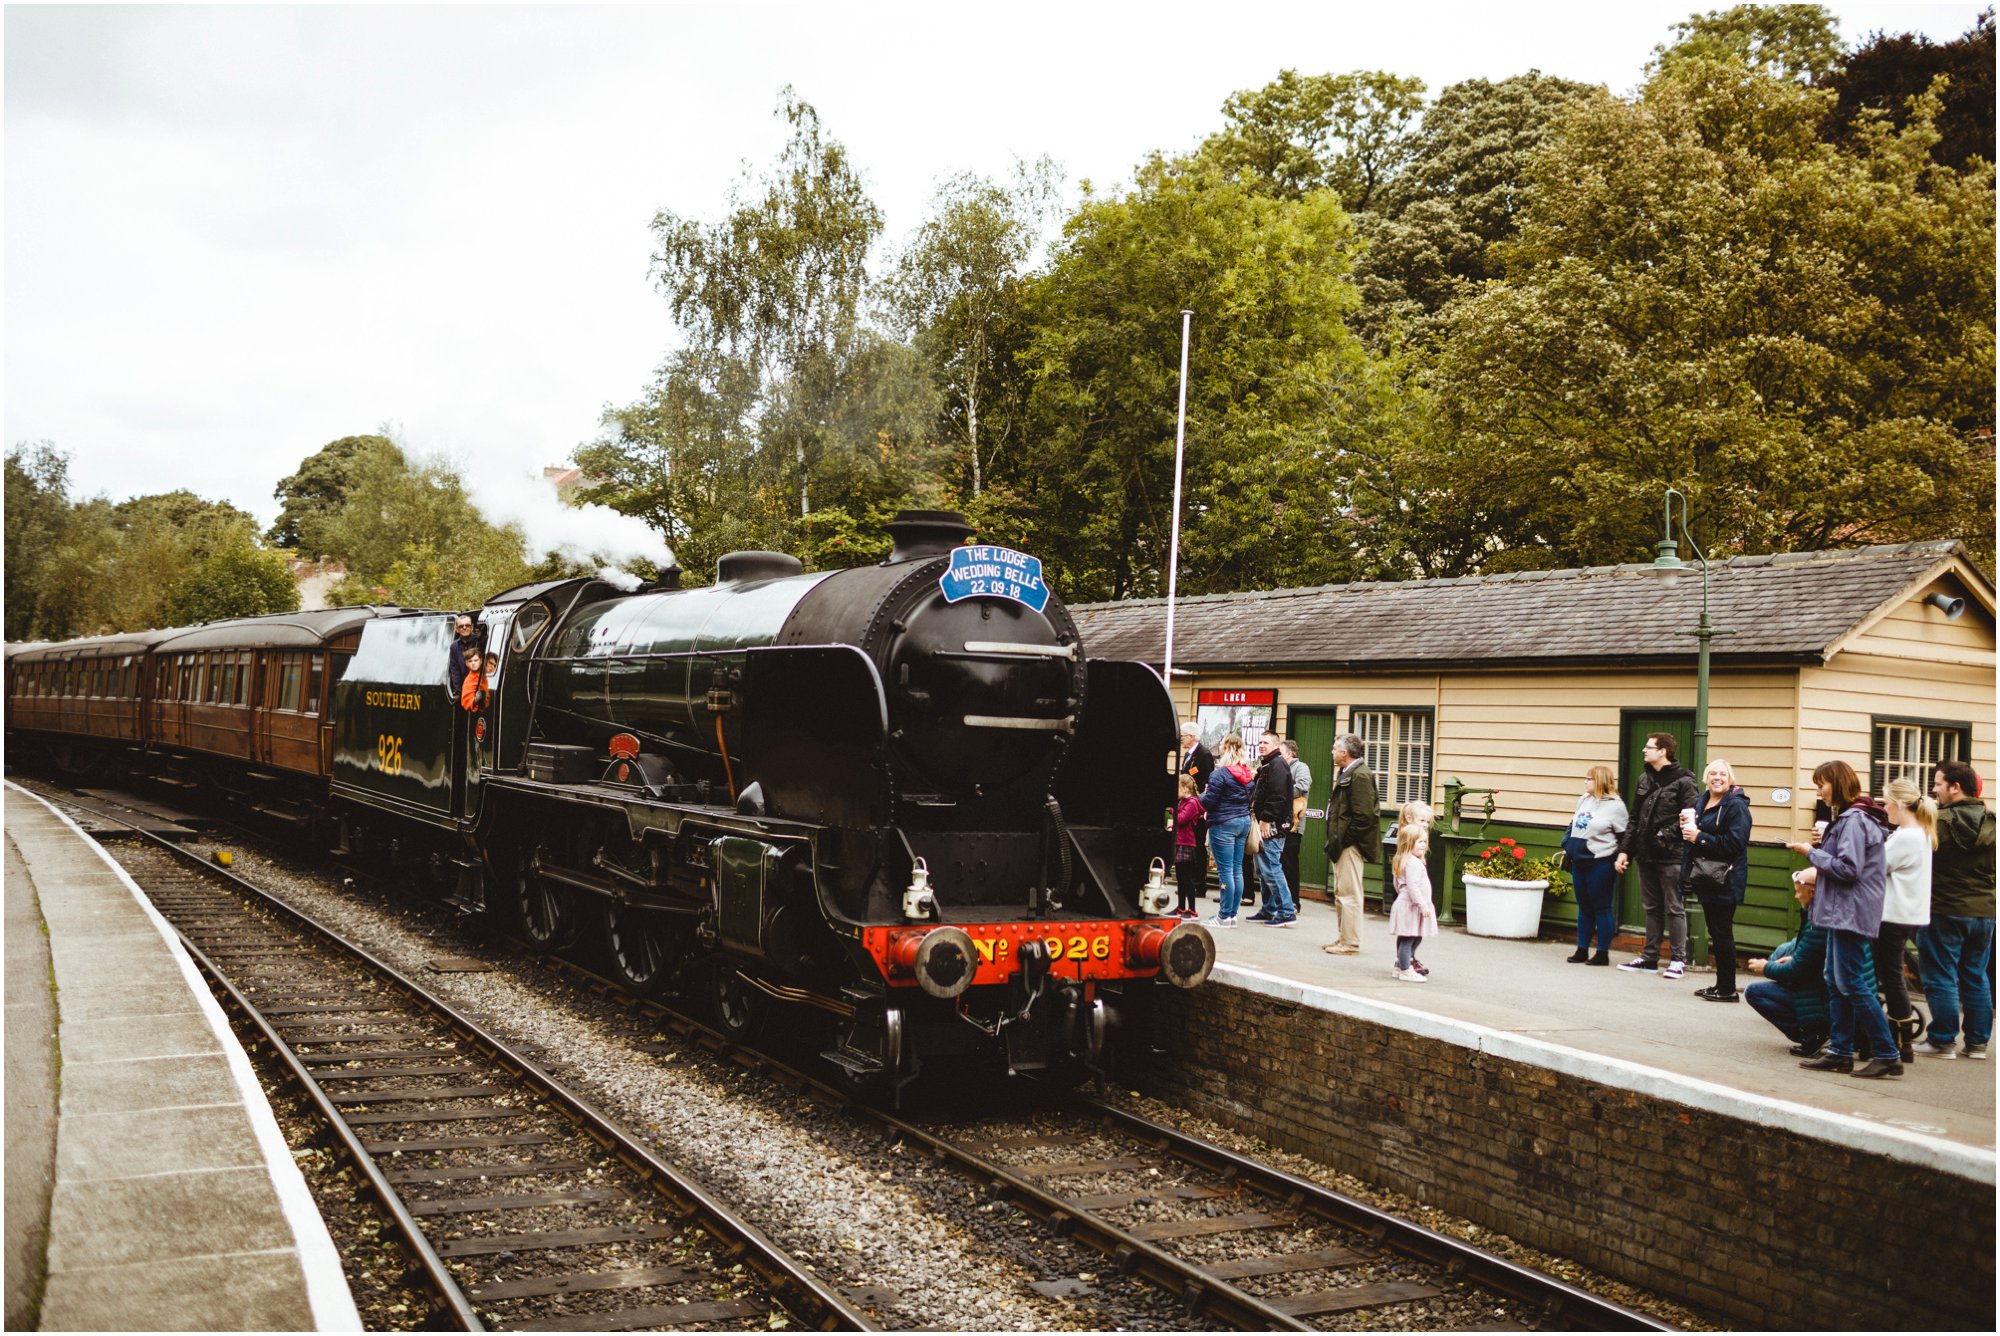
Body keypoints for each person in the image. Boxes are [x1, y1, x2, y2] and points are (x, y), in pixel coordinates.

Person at [1786, 760, 1900, 1078]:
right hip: (1843, 910)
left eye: (1821, 783)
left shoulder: (1854, 819)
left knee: (1851, 982)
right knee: (1835, 981)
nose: (1818, 790)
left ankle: (1887, 1053)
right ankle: (1840, 1051)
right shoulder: (1856, 816)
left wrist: (1811, 852)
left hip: (1850, 910)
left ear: (1837, 783)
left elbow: (1849, 869)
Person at [1916, 759, 1995, 1060]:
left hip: (1944, 908)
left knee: (1940, 974)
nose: (1934, 790)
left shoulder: (1938, 822)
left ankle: (1942, 1040)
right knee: (1976, 975)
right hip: (1984, 912)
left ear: (1955, 787)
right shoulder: (1992, 822)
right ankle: (1977, 1043)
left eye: (1937, 784)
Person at [1615, 732, 1700, 979]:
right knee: (1651, 907)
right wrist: (1625, 851)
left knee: (1674, 907)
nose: (1644, 750)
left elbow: (1691, 815)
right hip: (1646, 854)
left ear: (1663, 751)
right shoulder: (1645, 778)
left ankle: (1677, 960)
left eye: (1649, 746)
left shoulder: (1685, 781)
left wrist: (1664, 835)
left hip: (1672, 855)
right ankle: (1650, 958)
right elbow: (1634, 818)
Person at [1681, 757, 1752, 1002]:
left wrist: (1700, 836)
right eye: (1713, 774)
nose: (1717, 778)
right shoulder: (1702, 801)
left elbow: (1735, 843)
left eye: (1722, 774)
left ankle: (1728, 989)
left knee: (1722, 932)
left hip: (1726, 877)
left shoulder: (1736, 806)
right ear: (1706, 778)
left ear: (1730, 778)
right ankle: (1721, 985)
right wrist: (1689, 829)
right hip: (1706, 876)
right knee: (1717, 931)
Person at [1744, 875, 1835, 1057]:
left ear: (1811, 892)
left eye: (1798, 891)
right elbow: (1811, 960)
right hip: (1821, 989)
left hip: (1817, 993)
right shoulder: (1822, 914)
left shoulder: (1817, 922)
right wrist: (1793, 959)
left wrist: (1766, 968)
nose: (1796, 896)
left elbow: (1800, 970)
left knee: (1754, 992)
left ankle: (1814, 1035)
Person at [1879, 776, 1936, 1062]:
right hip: (1908, 913)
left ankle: (1900, 1043)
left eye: (1887, 802)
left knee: (1891, 977)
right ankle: (1900, 1039)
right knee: (1893, 975)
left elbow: (1876, 865)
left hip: (1892, 914)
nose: (1885, 807)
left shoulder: (1905, 836)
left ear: (1900, 804)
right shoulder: (1923, 832)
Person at [1320, 732, 1379, 956]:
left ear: (1345, 753)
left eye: (1335, 748)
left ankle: (1350, 942)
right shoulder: (1348, 772)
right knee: (1341, 892)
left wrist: (1346, 839)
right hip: (1341, 842)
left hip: (1349, 844)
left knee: (1349, 894)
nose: (1332, 752)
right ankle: (1343, 937)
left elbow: (1365, 816)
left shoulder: (1360, 775)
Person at [1564, 766, 1628, 966]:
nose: (1585, 782)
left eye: (1589, 779)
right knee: (1584, 907)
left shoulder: (1616, 806)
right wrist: (1567, 845)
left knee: (1601, 906)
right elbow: (1572, 824)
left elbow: (1624, 836)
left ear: (1600, 780)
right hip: (1578, 861)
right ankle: (1582, 949)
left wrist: (1620, 858)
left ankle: (1602, 952)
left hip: (1600, 862)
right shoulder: (1584, 799)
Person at [1200, 734, 1254, 927]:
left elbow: (1209, 801)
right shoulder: (1247, 774)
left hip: (1223, 823)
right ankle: (1232, 915)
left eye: (1222, 744)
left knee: (1225, 872)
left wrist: (1201, 795)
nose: (1220, 748)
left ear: (1227, 748)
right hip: (1243, 822)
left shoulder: (1220, 774)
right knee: (1236, 870)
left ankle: (1223, 916)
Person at [1246, 732, 1297, 926]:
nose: (1261, 745)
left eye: (1265, 742)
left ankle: (1286, 911)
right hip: (1264, 825)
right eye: (1259, 742)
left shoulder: (1277, 765)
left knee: (1272, 869)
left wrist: (1266, 819)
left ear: (1275, 745)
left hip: (1272, 826)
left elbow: (1278, 795)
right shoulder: (1268, 765)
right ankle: (1268, 909)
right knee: (1262, 869)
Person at [1388, 803, 1437, 982]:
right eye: (1422, 820)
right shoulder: (1412, 862)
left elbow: (1397, 882)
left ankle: (1402, 963)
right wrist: (1421, 903)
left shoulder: (1408, 858)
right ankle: (1405, 967)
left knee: (1412, 935)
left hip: (1411, 903)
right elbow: (1412, 886)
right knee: (1409, 936)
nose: (1425, 824)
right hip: (1412, 904)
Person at [1179, 721, 1215, 902]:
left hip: (1197, 807)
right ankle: (1188, 882)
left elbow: (1208, 783)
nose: (1182, 739)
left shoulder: (1204, 755)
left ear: (1191, 737)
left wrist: (1202, 806)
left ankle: (1199, 884)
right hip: (1187, 803)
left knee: (1198, 846)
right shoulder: (1188, 755)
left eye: (1183, 735)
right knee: (1189, 846)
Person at [1281, 739, 1312, 909]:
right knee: (1278, 863)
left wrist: (1279, 789)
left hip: (1294, 824)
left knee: (1290, 862)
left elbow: (1302, 786)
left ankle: (1293, 901)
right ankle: (1280, 900)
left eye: (1281, 752)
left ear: (1289, 754)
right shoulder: (1279, 767)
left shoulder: (1301, 767)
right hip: (1278, 822)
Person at [1172, 774, 1204, 919]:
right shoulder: (1183, 802)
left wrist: (1173, 811)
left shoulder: (1191, 803)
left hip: (1187, 843)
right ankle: (1180, 907)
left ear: (1185, 788)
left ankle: (1192, 910)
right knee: (1180, 877)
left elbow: (1181, 819)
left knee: (1187, 878)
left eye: (1177, 788)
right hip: (1180, 842)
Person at [447, 613, 480, 697]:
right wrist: (459, 691)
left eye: (467, 625)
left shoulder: (479, 642)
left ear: (472, 627)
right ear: (457, 629)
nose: (464, 627)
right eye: (461, 626)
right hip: (464, 690)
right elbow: (454, 670)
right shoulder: (454, 647)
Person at [459, 645, 490, 713]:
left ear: (481, 661)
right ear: (466, 664)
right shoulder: (468, 681)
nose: (473, 663)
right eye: (470, 661)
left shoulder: (485, 675)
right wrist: (475, 700)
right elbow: (466, 701)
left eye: (475, 660)